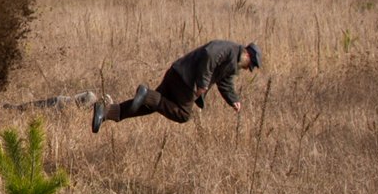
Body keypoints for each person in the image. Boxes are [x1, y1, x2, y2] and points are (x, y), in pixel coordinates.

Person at [92, 40, 262, 133]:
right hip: (185, 81)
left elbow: (224, 82)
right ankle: (146, 94)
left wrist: (233, 100)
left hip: (177, 74)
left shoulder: (232, 64)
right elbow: (209, 55)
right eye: (250, 65)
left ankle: (106, 111)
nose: (248, 69)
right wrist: (202, 84)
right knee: (182, 114)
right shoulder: (228, 49)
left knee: (151, 105)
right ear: (247, 54)